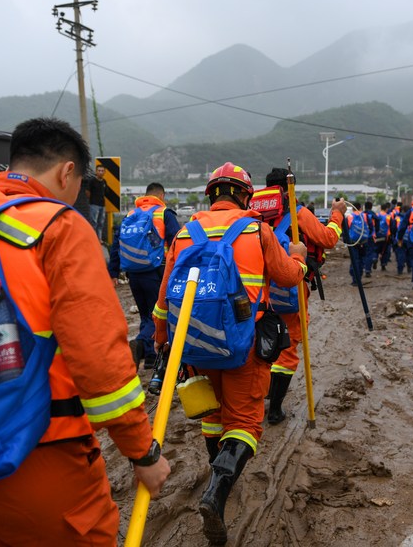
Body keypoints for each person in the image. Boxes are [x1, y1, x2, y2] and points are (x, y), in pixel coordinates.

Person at [0, 118, 170, 546]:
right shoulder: (60, 227)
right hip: (36, 462)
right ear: (66, 172)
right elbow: (100, 364)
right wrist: (142, 452)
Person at [152, 162, 307, 545]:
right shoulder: (258, 230)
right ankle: (218, 490)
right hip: (243, 346)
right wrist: (301, 257)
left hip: (194, 346)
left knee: (212, 414)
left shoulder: (185, 234)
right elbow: (287, 276)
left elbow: (162, 298)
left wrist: (160, 340)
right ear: (244, 195)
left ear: (210, 195)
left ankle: (216, 470)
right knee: (246, 423)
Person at [259, 167, 346, 425]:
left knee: (262, 340)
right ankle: (274, 410)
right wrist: (337, 215)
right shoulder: (299, 214)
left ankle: (264, 392)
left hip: (259, 291)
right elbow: (328, 238)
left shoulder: (253, 216)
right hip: (291, 288)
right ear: (290, 189)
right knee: (287, 350)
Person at [108, 182, 180, 369]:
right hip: (157, 271)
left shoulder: (130, 216)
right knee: (157, 314)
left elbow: (116, 245)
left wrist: (113, 272)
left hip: (133, 273)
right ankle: (141, 343)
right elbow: (178, 243)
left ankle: (149, 357)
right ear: (161, 196)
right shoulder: (164, 213)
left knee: (146, 315)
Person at [346, 201, 369, 286]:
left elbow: (345, 230)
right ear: (360, 208)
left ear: (353, 208)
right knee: (362, 259)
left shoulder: (350, 217)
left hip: (353, 242)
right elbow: (371, 226)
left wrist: (346, 241)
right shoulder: (365, 216)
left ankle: (355, 279)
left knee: (354, 260)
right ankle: (359, 277)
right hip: (364, 241)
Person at [86, 163, 107, 242]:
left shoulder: (104, 181)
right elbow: (87, 192)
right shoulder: (92, 181)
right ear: (96, 171)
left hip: (102, 205)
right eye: (99, 170)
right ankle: (93, 238)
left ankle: (99, 239)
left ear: (104, 172)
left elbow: (105, 192)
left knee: (101, 222)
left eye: (102, 171)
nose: (100, 172)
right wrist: (91, 200)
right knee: (94, 222)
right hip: (94, 204)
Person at [362, 200, 379, 277]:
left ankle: (363, 268)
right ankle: (368, 270)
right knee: (370, 252)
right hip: (372, 235)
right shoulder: (373, 214)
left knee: (363, 253)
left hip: (362, 236)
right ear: (371, 207)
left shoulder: (362, 214)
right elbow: (377, 224)